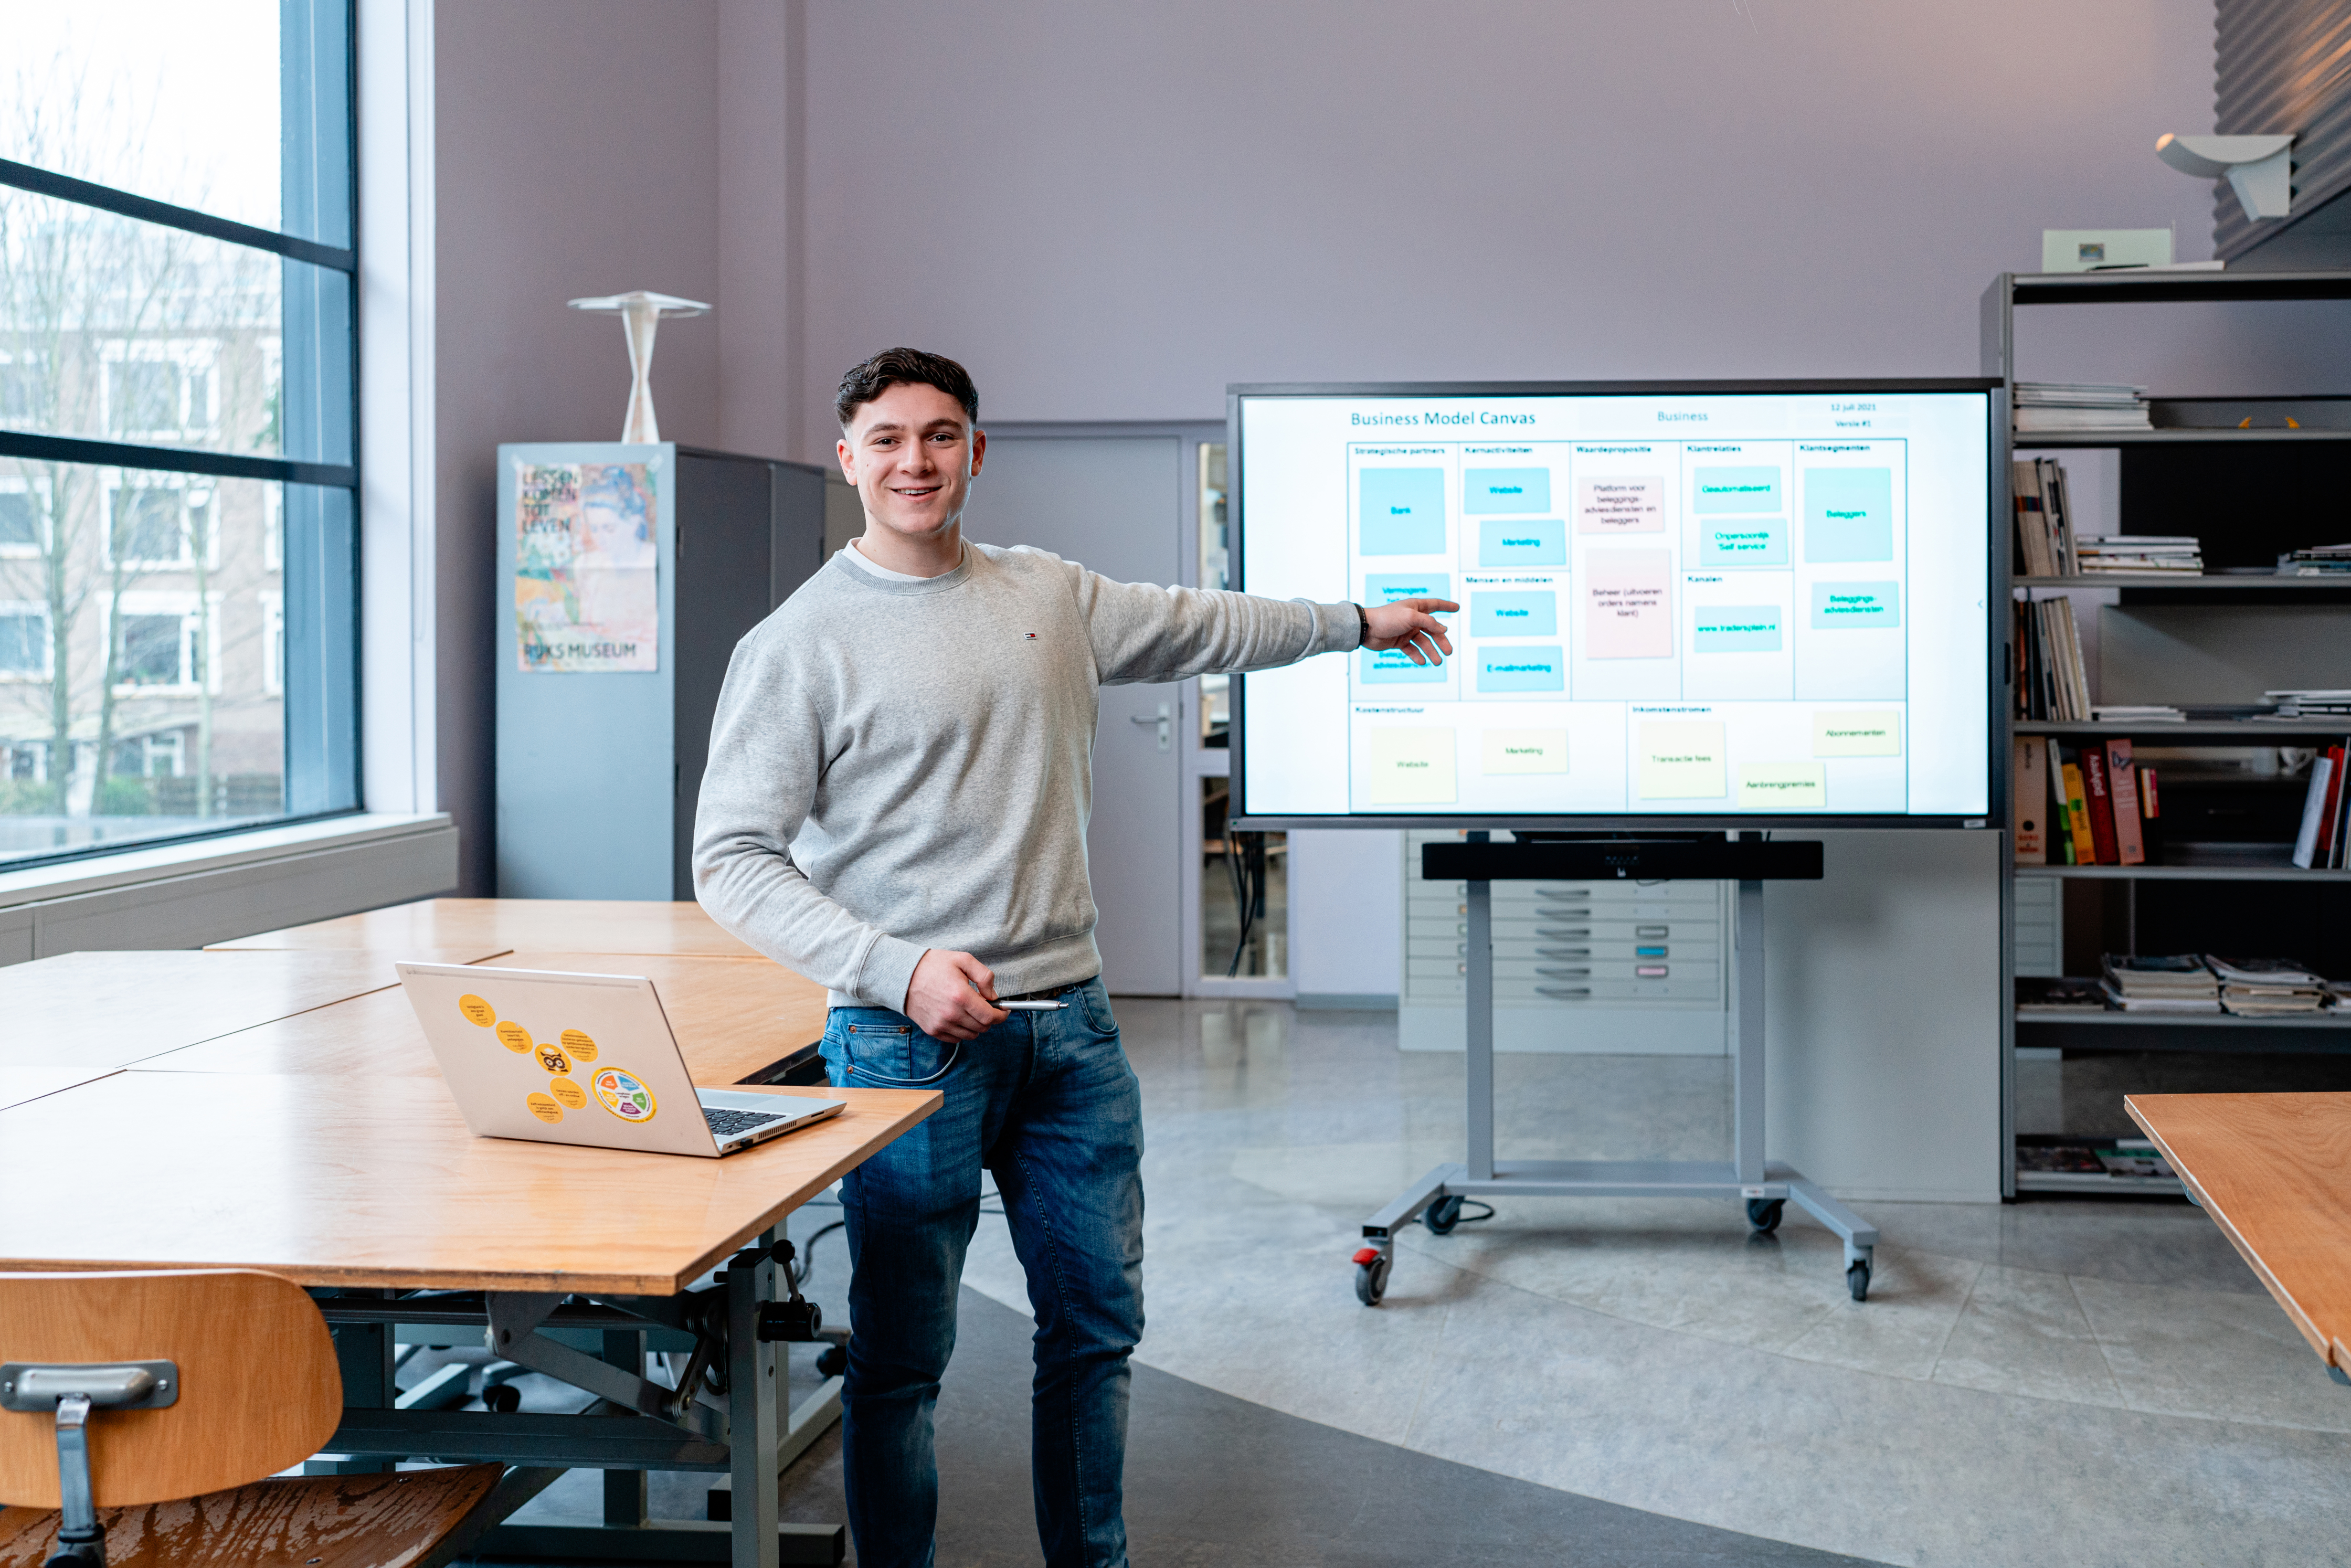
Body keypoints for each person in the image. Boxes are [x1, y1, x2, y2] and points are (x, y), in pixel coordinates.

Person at [692, 347, 1454, 1568]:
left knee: (1095, 1332)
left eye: (940, 436)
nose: (915, 461)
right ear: (848, 460)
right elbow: (730, 859)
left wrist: (1358, 623)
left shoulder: (1046, 593)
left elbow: (1209, 622)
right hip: (902, 1047)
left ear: (976, 454)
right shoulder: (798, 644)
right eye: (886, 439)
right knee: (900, 1363)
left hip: (1072, 1039)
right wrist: (894, 969)